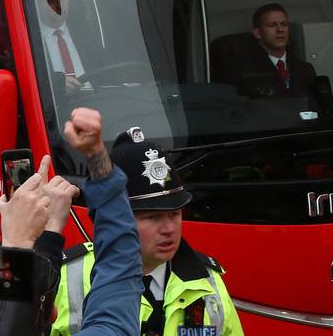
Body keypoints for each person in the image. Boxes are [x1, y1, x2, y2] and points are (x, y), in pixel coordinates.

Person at [51, 132, 243, 336]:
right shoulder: (67, 277)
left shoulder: (208, 279)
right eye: (153, 217)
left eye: (175, 214)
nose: (169, 228)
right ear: (118, 220)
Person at [218, 3, 317, 97]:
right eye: (272, 25)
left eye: (284, 24)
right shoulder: (242, 71)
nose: (280, 30)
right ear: (258, 33)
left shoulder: (305, 70)